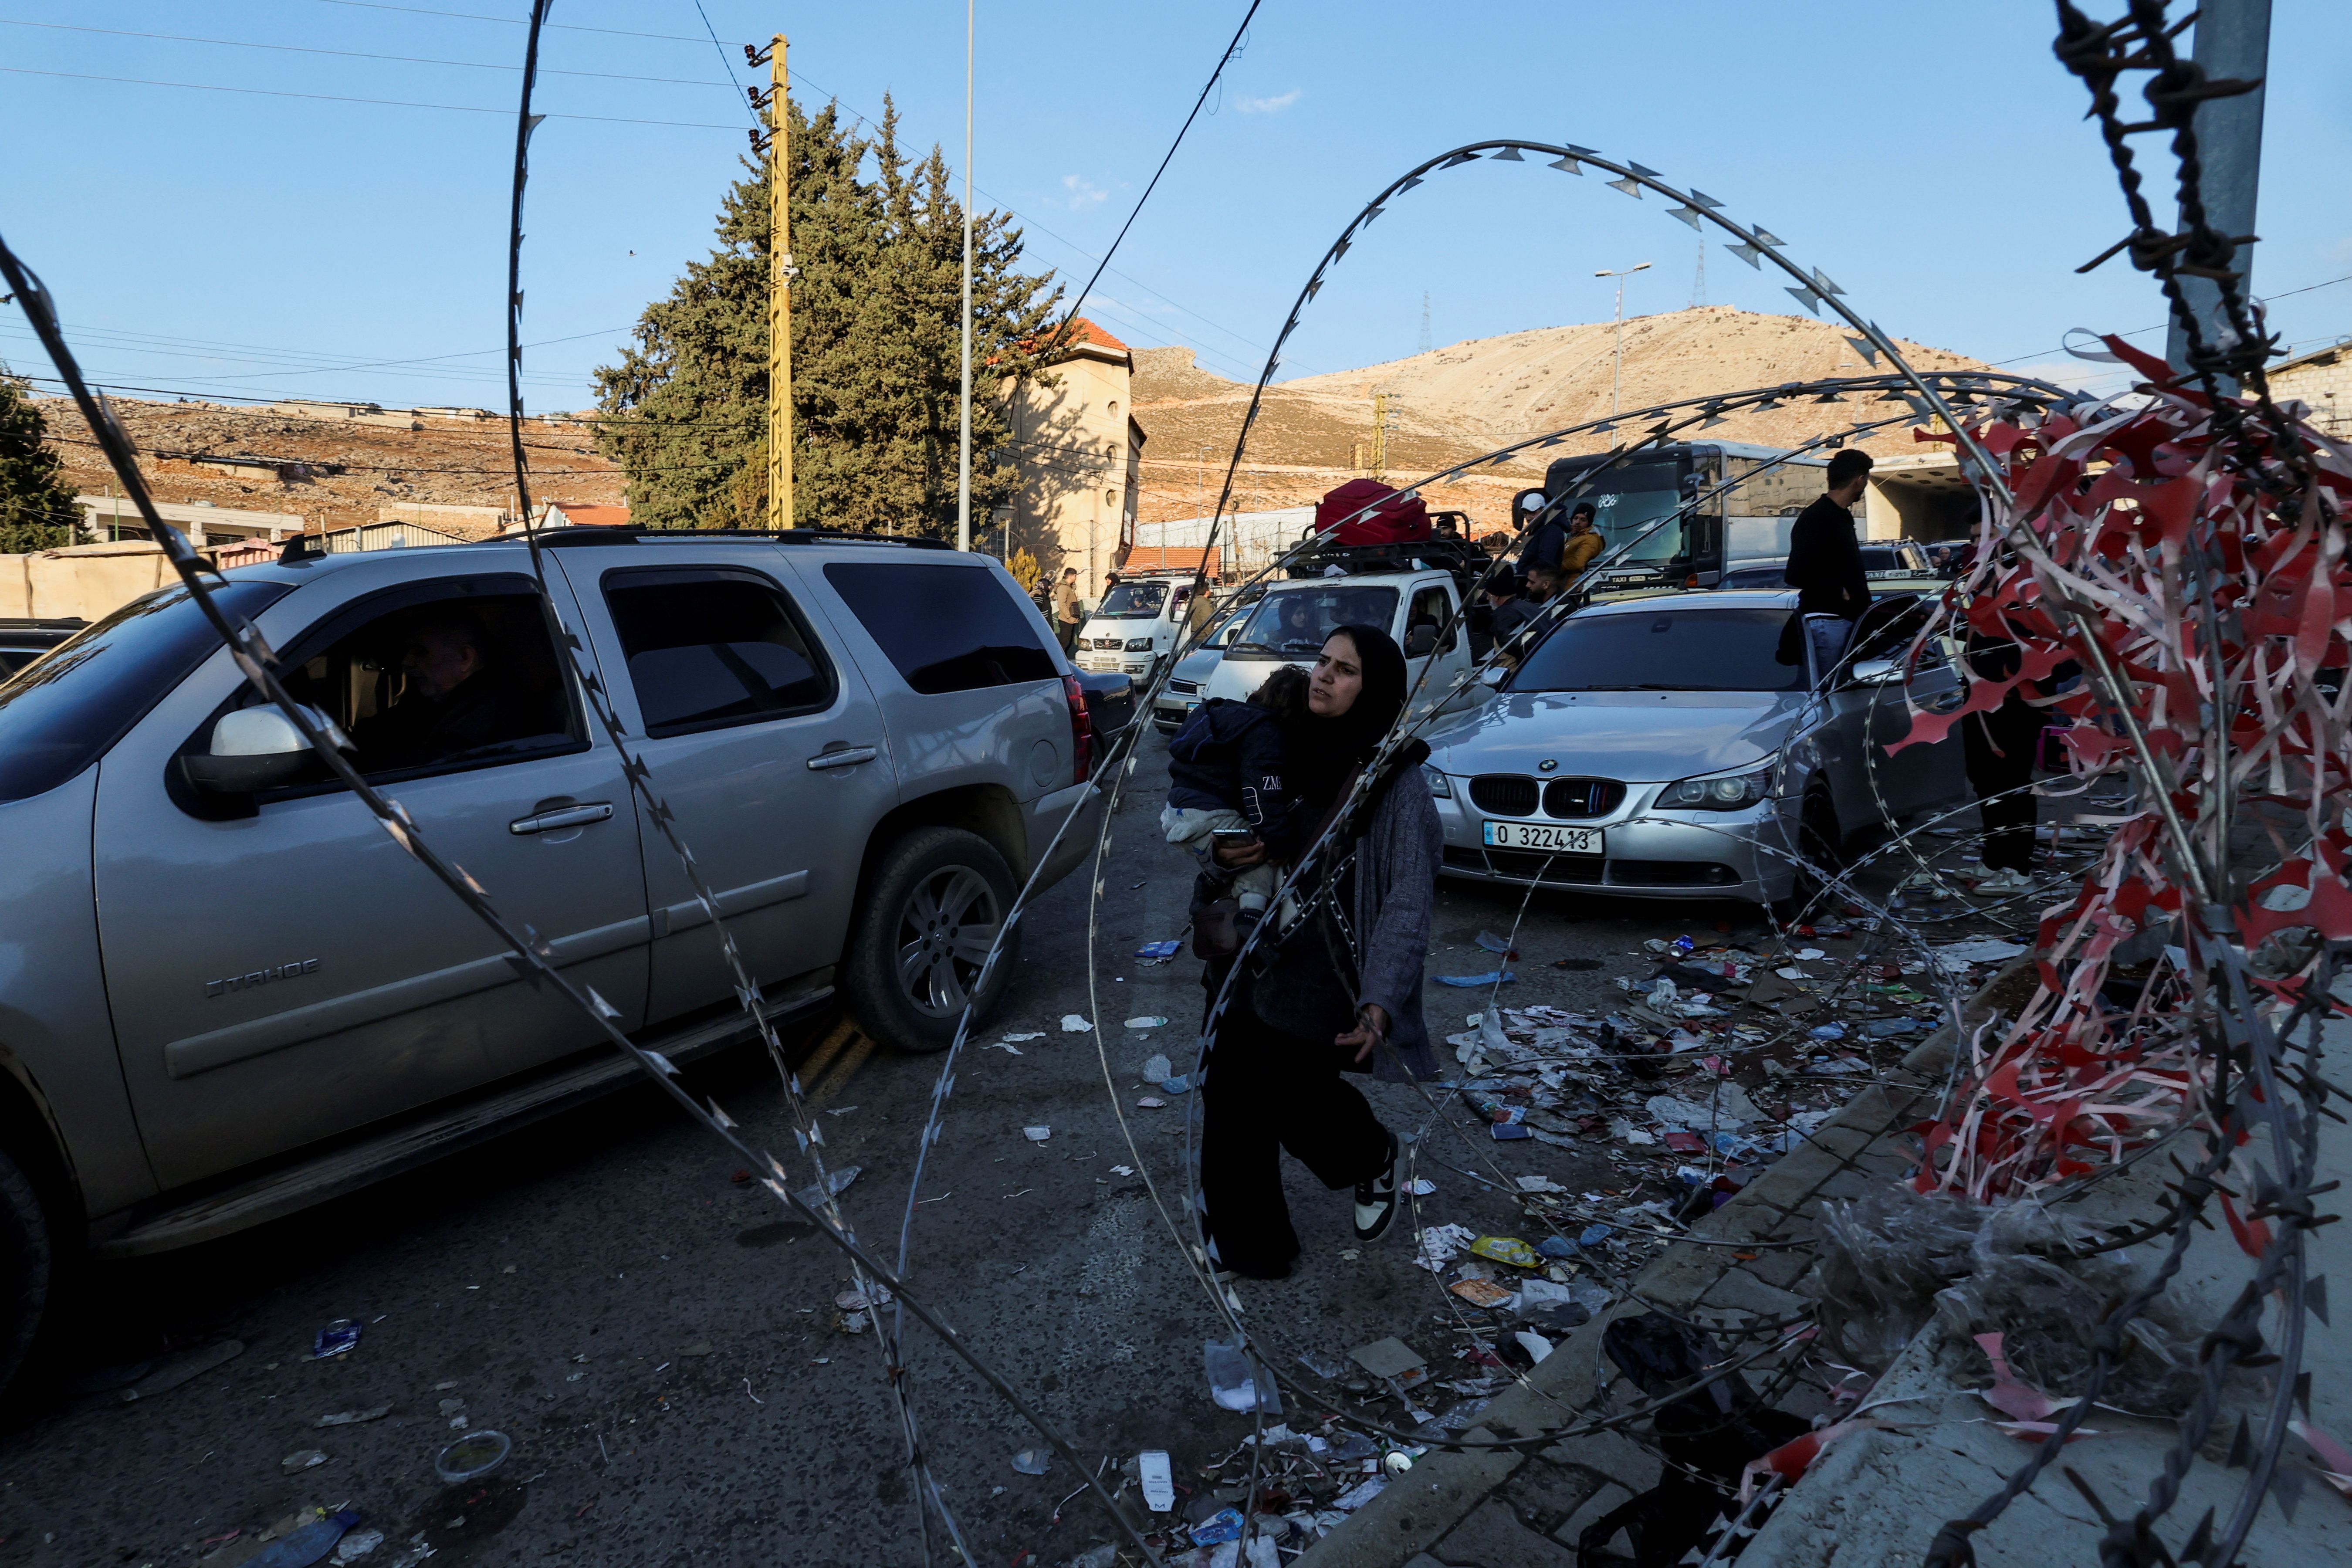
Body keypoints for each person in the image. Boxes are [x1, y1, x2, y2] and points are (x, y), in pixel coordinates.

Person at [1196, 625, 1442, 1280]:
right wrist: (1221, 853)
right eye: (1322, 662)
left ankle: (1369, 1157)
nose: (1324, 677)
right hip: (1248, 957)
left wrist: (1379, 999)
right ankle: (1251, 1245)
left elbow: (1406, 901)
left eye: (1345, 670)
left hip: (1321, 972)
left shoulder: (1394, 779)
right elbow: (1214, 826)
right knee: (1228, 1096)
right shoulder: (1273, 745)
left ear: (1376, 688)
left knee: (1294, 1098)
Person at [1162, 666, 1310, 917]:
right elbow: (1260, 794)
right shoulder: (1266, 731)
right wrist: (1278, 842)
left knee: (1237, 846)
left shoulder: (1222, 713)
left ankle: (1210, 882)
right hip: (1211, 812)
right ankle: (1251, 916)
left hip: (1175, 811)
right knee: (1260, 851)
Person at [353, 610, 510, 770]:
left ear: (465, 658)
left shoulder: (486, 714)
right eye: (408, 651)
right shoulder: (434, 703)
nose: (407, 662)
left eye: (421, 652)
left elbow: (433, 765)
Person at [1777, 448, 1874, 665]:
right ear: (1859, 481)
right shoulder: (1818, 518)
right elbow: (1796, 573)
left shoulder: (1840, 516)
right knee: (1828, 692)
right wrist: (1840, 591)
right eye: (1866, 479)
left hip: (1842, 622)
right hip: (1828, 623)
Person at [1555, 502, 1604, 593]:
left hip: (1571, 587)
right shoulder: (1570, 535)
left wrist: (1554, 565)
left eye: (1583, 520)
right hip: (1561, 584)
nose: (1578, 522)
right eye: (1576, 518)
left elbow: (1578, 563)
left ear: (1589, 523)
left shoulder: (1590, 539)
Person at [1052, 567, 1083, 654]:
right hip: (1066, 620)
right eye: (1075, 576)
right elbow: (1062, 605)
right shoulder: (1063, 588)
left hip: (1071, 620)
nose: (1076, 578)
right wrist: (1069, 617)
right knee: (1064, 644)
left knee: (1068, 643)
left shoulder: (1069, 587)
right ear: (1072, 576)